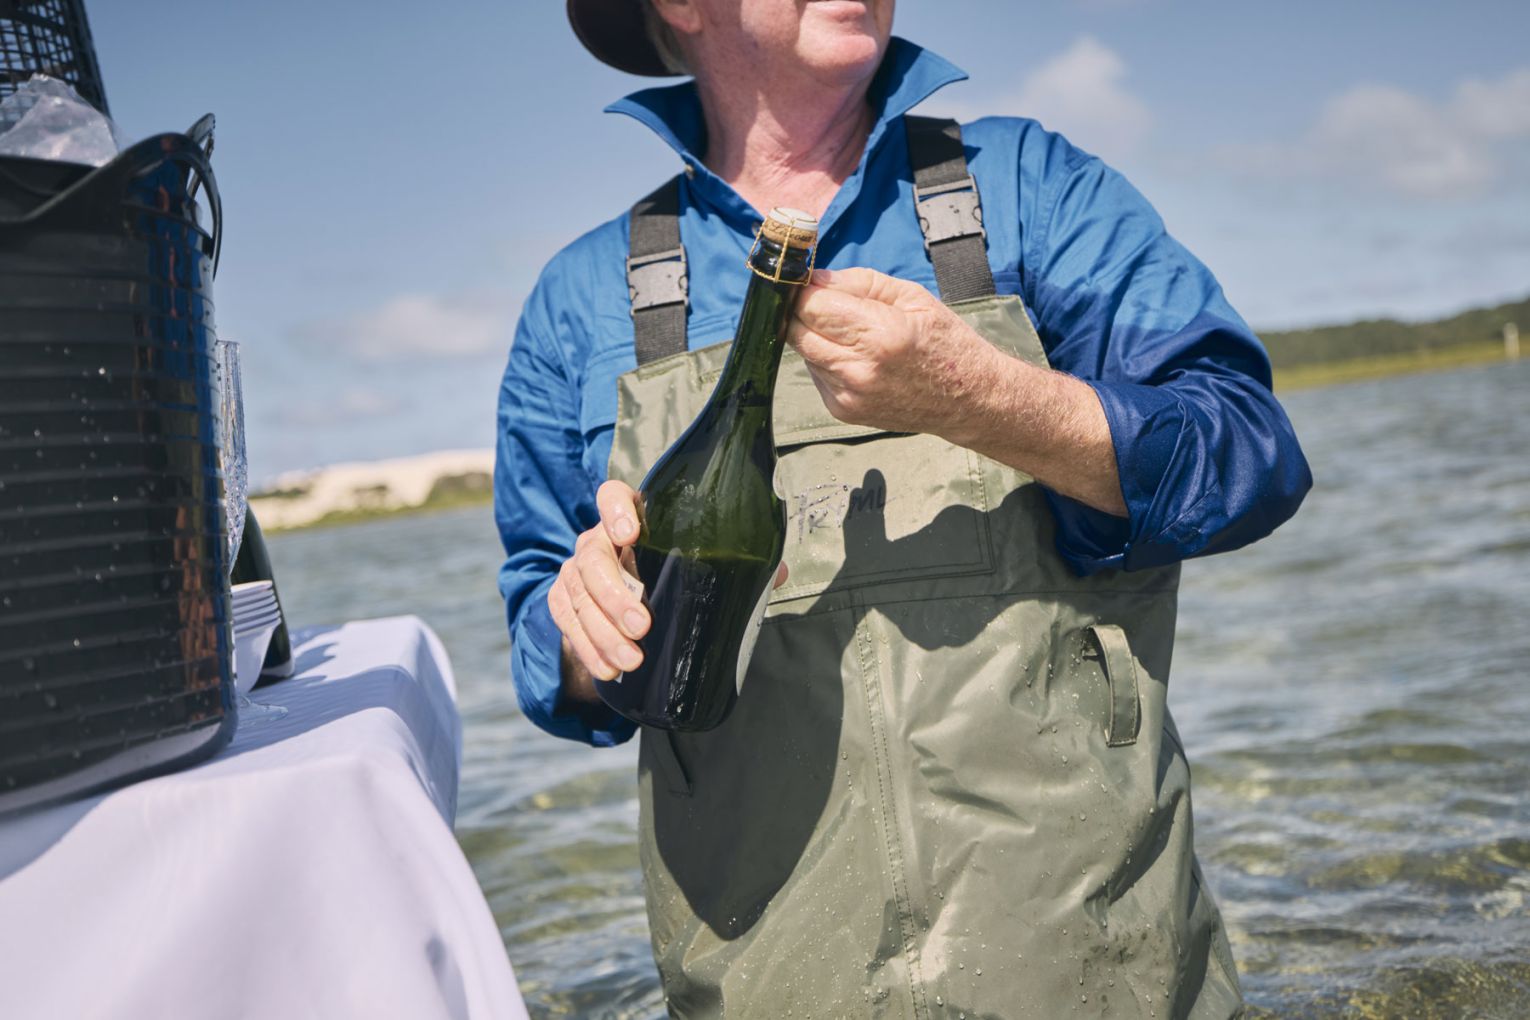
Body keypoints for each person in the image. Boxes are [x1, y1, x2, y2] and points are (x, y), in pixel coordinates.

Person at [495, 1, 1311, 1016]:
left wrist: (982, 399)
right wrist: (585, 629)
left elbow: (1252, 452)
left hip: (1096, 967)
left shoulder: (1028, 187)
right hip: (769, 981)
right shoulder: (577, 302)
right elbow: (540, 632)